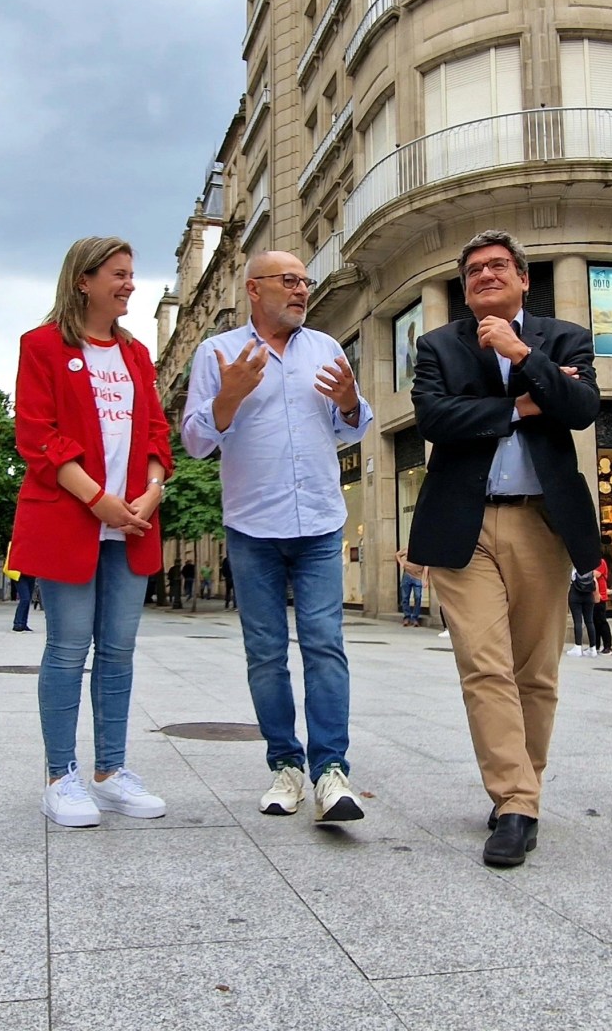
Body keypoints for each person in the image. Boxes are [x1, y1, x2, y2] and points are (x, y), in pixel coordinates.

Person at [409, 230, 601, 868]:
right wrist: (520, 405)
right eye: (473, 271)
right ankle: (516, 803)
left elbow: (579, 407)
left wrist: (524, 356)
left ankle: (524, 791)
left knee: (536, 673)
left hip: (542, 524)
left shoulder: (564, 338)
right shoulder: (438, 345)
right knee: (485, 667)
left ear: (523, 278)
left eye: (497, 266)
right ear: (464, 290)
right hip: (462, 527)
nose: (485, 276)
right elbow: (435, 419)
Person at [184, 250, 373, 822]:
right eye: (289, 281)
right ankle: (286, 765)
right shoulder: (217, 353)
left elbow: (352, 428)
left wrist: (349, 402)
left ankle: (331, 771)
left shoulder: (326, 347)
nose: (301, 290)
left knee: (324, 645)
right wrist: (230, 395)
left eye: (305, 281)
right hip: (252, 526)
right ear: (253, 288)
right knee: (266, 653)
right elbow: (195, 441)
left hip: (319, 521)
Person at [11, 237, 173, 828]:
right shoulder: (42, 345)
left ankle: (110, 771)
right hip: (69, 518)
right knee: (67, 647)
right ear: (84, 280)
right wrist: (98, 500)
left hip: (132, 524)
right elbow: (38, 436)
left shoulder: (136, 355)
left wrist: (151, 491)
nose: (130, 284)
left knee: (119, 650)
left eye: (131, 274)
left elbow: (156, 433)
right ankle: (60, 777)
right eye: (118, 274)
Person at [567, 567, 598, 658]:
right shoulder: (590, 566)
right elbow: (594, 580)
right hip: (589, 596)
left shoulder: (574, 567)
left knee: (578, 621)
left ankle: (577, 647)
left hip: (575, 595)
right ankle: (593, 648)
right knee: (590, 621)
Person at [395, 548, 425, 627]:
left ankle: (415, 618)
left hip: (418, 577)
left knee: (418, 597)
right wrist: (401, 563)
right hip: (407, 575)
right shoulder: (408, 549)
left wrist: (425, 579)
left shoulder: (423, 551)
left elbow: (426, 566)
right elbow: (397, 554)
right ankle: (407, 617)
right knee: (405, 597)